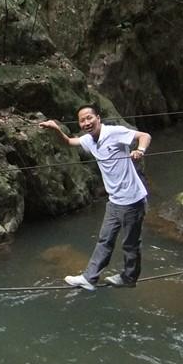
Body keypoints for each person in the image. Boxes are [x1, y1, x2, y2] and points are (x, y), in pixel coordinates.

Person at [39, 103, 151, 290]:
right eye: (82, 120)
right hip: (114, 201)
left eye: (89, 118)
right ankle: (90, 278)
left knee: (130, 244)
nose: (86, 122)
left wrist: (140, 150)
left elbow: (144, 136)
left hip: (133, 200)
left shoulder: (114, 132)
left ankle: (129, 277)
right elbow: (68, 142)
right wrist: (55, 128)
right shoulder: (89, 140)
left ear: (98, 118)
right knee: (105, 240)